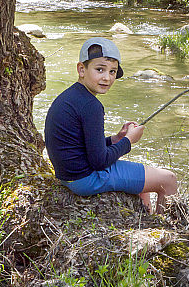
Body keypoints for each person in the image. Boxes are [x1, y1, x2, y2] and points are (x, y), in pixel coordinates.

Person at [44, 37, 177, 213]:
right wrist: (129, 140)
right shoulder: (91, 106)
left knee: (144, 187)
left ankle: (147, 221)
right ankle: (165, 230)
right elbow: (100, 161)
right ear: (81, 69)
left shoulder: (70, 97)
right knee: (169, 179)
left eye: (113, 72)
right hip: (85, 180)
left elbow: (83, 145)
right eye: (100, 69)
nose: (107, 78)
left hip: (68, 176)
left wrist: (116, 139)